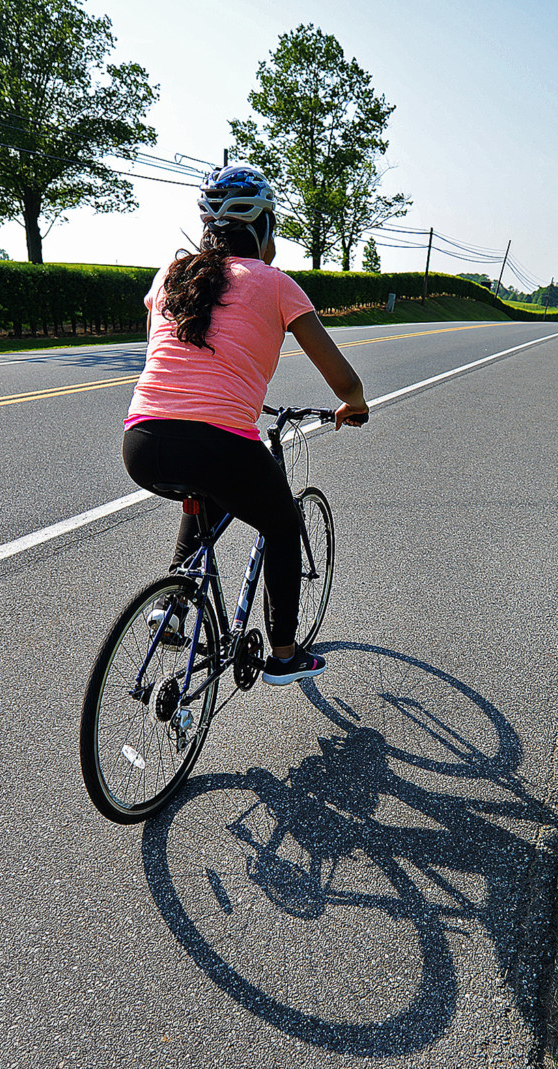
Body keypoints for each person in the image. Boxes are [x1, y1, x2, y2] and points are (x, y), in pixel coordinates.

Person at [121, 164, 369, 686]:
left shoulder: (170, 274)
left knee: (204, 492)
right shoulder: (277, 284)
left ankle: (173, 606)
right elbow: (342, 379)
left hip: (142, 441)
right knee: (281, 525)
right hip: (218, 443)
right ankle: (284, 655)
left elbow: (166, 356)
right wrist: (355, 404)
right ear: (262, 229)